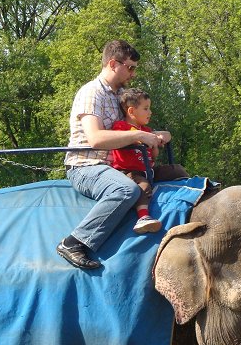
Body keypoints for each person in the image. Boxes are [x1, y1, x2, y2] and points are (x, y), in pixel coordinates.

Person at [56, 40, 169, 269]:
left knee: (176, 174)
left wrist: (156, 135)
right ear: (113, 64)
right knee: (126, 190)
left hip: (121, 166)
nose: (133, 74)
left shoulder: (119, 97)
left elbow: (132, 128)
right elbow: (96, 138)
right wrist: (138, 136)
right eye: (131, 67)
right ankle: (74, 242)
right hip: (87, 166)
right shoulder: (92, 93)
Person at [110, 88, 188, 234]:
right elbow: (130, 137)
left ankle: (191, 194)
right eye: (146, 109)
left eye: (149, 108)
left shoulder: (146, 129)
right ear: (131, 111)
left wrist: (155, 145)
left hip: (148, 169)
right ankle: (143, 217)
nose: (150, 112)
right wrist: (146, 137)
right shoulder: (121, 127)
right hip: (129, 172)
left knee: (176, 169)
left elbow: (154, 155)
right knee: (143, 186)